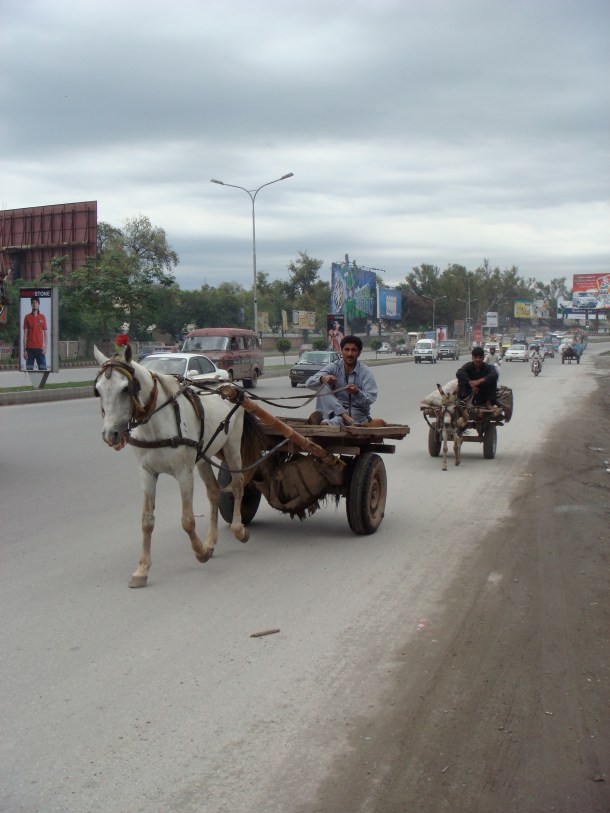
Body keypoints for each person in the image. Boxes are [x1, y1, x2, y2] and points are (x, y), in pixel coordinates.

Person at [306, 335, 377, 426]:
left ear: (359, 353)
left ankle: (333, 422)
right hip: (333, 413)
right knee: (321, 385)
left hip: (357, 414)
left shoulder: (366, 372)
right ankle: (344, 416)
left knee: (332, 422)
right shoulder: (333, 367)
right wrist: (323, 378)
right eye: (346, 349)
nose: (350, 354)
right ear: (341, 351)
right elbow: (309, 383)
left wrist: (357, 392)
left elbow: (371, 398)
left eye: (353, 350)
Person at [23, 296, 48, 370]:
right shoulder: (27, 317)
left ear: (39, 304)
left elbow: (46, 334)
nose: (34, 304)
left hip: (40, 349)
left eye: (36, 302)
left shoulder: (42, 317)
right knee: (29, 370)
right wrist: (25, 350)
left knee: (43, 370)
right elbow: (25, 334)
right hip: (29, 349)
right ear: (31, 304)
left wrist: (45, 348)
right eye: (33, 303)